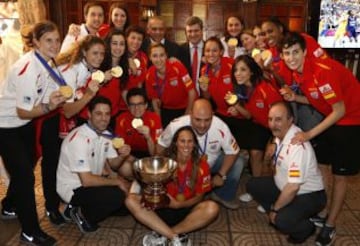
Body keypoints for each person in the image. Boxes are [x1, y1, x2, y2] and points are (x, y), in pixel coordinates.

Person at [279, 32, 360, 246]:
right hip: (331, 118)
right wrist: (295, 97)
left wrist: (308, 134)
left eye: (296, 52)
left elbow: (339, 110)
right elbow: (318, 100)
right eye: (286, 53)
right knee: (322, 165)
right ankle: (323, 212)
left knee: (340, 176)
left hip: (351, 121)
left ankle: (330, 224)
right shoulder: (298, 73)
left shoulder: (322, 71)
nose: (291, 58)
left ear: (305, 52)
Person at [0, 21, 66, 245]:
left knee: (25, 168)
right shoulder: (28, 67)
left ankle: (9, 205)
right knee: (25, 177)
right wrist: (50, 106)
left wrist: (52, 100)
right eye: (49, 40)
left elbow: (38, 99)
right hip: (6, 126)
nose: (55, 45)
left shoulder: (47, 61)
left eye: (57, 40)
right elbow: (23, 110)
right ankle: (30, 230)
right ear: (36, 42)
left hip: (23, 123)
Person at [247, 101, 326, 244]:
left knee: (282, 220)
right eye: (270, 119)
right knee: (253, 185)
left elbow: (294, 187)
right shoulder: (280, 135)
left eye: (278, 119)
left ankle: (306, 228)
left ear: (290, 120)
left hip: (309, 194)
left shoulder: (297, 144)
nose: (272, 124)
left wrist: (276, 209)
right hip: (286, 187)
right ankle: (285, 209)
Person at [126, 126, 219, 246]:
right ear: (175, 143)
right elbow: (150, 183)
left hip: (187, 211)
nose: (186, 145)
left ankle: (162, 234)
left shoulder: (202, 165)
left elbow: (200, 197)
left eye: (190, 141)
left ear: (195, 144)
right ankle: (174, 237)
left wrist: (179, 205)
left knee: (212, 208)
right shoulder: (165, 161)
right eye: (182, 141)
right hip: (162, 208)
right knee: (130, 200)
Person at [56, 96, 133, 233]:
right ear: (89, 115)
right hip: (73, 187)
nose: (104, 118)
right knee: (117, 197)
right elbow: (86, 181)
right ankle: (80, 214)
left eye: (107, 114)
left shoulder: (106, 134)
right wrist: (117, 182)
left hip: (90, 183)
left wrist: (122, 155)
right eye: (98, 113)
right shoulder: (79, 139)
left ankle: (77, 208)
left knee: (125, 208)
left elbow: (114, 165)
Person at [157, 98, 245, 209]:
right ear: (190, 114)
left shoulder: (221, 126)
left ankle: (221, 195)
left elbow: (233, 152)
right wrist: (163, 172)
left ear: (213, 115)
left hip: (210, 164)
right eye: (197, 120)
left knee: (239, 162)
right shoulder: (175, 125)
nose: (202, 125)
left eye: (207, 120)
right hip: (183, 165)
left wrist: (220, 175)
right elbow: (161, 146)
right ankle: (188, 193)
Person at [225, 55, 282, 203]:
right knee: (252, 151)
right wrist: (236, 106)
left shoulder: (265, 88)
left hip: (276, 129)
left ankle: (270, 196)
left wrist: (275, 141)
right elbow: (249, 115)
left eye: (243, 69)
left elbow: (281, 117)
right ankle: (256, 190)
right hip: (258, 124)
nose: (238, 73)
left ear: (251, 72)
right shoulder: (243, 88)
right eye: (236, 70)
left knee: (263, 156)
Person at [145, 43, 197, 127]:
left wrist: (187, 112)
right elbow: (154, 101)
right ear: (150, 58)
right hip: (166, 110)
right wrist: (158, 122)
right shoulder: (149, 75)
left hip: (185, 107)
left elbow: (192, 91)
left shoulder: (178, 67)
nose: (159, 59)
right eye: (155, 56)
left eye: (162, 55)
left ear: (166, 56)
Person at [115, 88, 162, 157]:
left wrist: (148, 137)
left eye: (140, 104)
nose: (136, 108)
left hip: (149, 153)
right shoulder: (121, 119)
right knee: (126, 167)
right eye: (132, 105)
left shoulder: (155, 118)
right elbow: (119, 149)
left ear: (146, 105)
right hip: (129, 154)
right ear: (128, 107)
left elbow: (155, 153)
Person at [96, 29, 130, 128]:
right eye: (114, 43)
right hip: (96, 116)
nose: (118, 47)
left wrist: (133, 109)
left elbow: (122, 90)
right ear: (108, 45)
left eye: (122, 44)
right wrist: (101, 81)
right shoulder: (98, 64)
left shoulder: (125, 67)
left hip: (113, 116)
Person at [178, 16, 205, 94]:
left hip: (206, 96)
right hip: (185, 96)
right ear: (186, 33)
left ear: (202, 31)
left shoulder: (210, 50)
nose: (193, 34)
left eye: (196, 30)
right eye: (189, 31)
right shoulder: (179, 50)